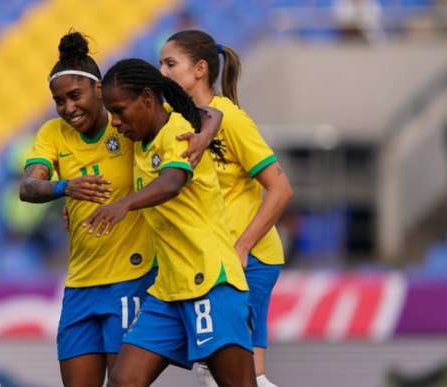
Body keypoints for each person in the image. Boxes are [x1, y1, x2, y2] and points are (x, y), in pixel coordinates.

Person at [19, 32, 222, 387]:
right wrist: (64, 187)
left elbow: (208, 113)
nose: (68, 108)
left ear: (99, 91)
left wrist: (203, 137)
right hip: (80, 284)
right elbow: (28, 186)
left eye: (75, 96)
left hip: (130, 279)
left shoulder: (130, 130)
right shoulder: (52, 134)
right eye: (59, 101)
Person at [85, 58, 255, 387]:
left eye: (119, 111)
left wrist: (123, 206)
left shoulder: (177, 130)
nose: (116, 122)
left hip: (210, 282)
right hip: (169, 289)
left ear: (147, 98)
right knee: (123, 380)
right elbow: (210, 114)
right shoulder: (141, 139)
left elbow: (172, 182)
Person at [159, 30, 294, 387]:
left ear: (200, 69)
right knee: (221, 374)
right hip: (209, 262)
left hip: (246, 261)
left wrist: (243, 246)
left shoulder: (229, 119)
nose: (162, 72)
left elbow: (280, 189)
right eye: (160, 63)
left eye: (170, 63)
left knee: (239, 375)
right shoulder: (174, 122)